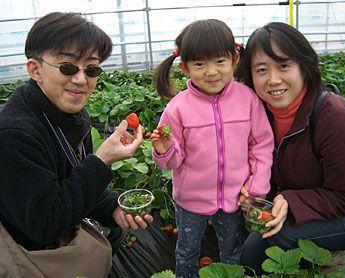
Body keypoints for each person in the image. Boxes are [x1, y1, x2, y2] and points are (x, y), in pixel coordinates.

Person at [0, 12, 153, 267]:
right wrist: (102, 160)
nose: (81, 80)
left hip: (57, 221)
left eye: (91, 69)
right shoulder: (15, 135)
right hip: (28, 249)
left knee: (114, 233)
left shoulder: (69, 112)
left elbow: (72, 179)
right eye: (68, 67)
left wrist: (113, 208)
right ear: (35, 70)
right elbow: (45, 225)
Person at [235, 22, 345, 274]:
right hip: (304, 204)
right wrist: (253, 194)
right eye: (261, 69)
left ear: (304, 67)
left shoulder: (333, 115)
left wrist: (290, 199)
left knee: (266, 242)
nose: (273, 80)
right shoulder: (256, 115)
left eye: (284, 66)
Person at [150, 19, 274, 277]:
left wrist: (256, 185)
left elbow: (261, 144)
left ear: (234, 58)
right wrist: (165, 150)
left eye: (219, 61)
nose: (211, 72)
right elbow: (172, 161)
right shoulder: (178, 108)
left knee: (231, 250)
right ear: (184, 67)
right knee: (187, 251)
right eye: (199, 64)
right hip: (190, 201)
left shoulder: (247, 99)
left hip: (233, 198)